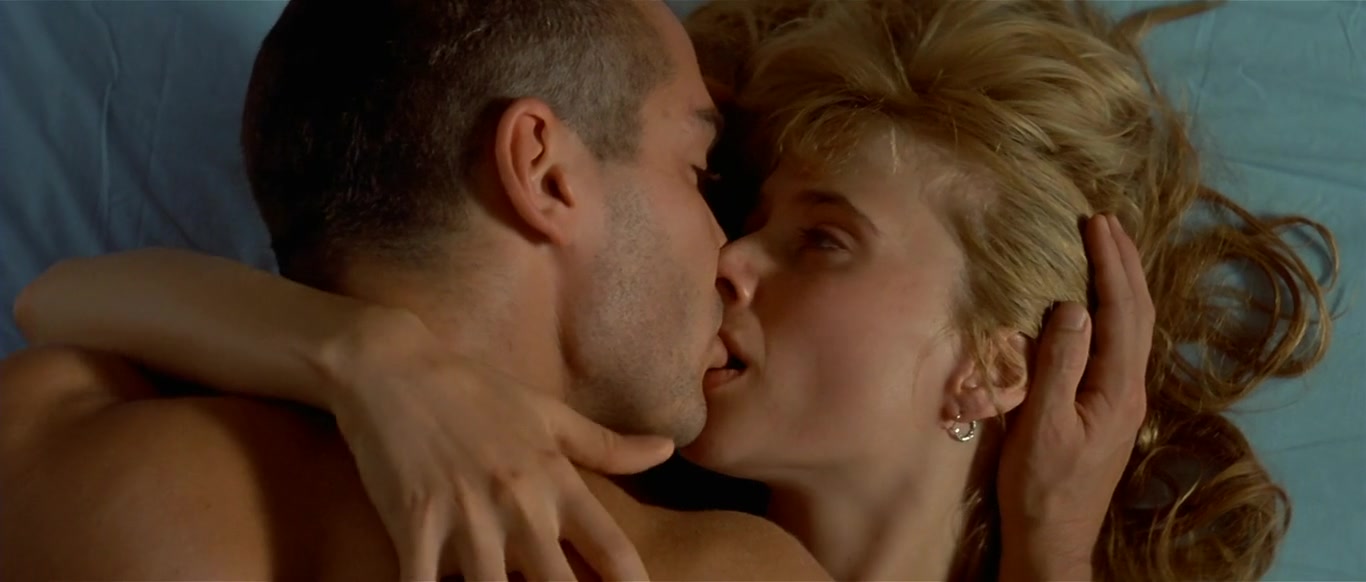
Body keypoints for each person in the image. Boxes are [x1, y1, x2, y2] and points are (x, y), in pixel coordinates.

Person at [0, 0, 1140, 580]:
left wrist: (362, 356)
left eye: (824, 241)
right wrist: (372, 361)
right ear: (543, 171)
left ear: (996, 363)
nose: (727, 255)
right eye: (700, 172)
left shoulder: (62, 438)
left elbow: (54, 302)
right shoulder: (711, 570)